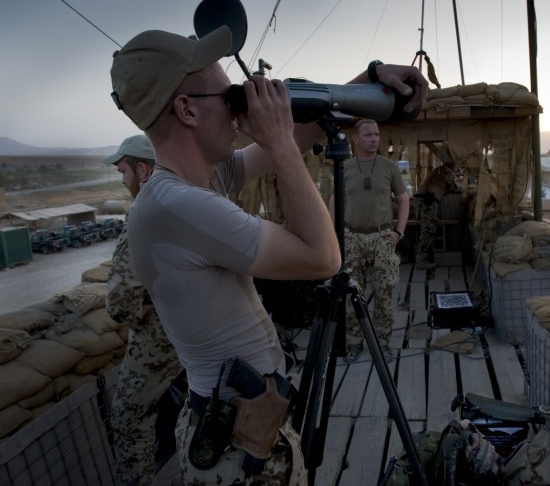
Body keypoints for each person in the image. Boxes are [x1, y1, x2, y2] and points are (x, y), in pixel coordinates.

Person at [109, 24, 428, 485]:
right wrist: (278, 140)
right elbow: (323, 258)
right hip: (237, 450)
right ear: (186, 110)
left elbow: (294, 137)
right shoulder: (180, 206)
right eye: (229, 98)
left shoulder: (183, 186)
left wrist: (371, 77)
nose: (239, 113)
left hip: (244, 423)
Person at [103, 135, 184, 486]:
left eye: (124, 171)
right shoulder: (184, 201)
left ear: (143, 169)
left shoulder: (144, 213)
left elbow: (120, 300)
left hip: (159, 332)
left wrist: (134, 311)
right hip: (192, 324)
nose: (123, 181)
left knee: (129, 417)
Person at [330, 118, 410, 364]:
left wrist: (399, 232)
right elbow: (334, 200)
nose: (374, 139)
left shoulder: (389, 167)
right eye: (368, 135)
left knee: (385, 290)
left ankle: (382, 342)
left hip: (382, 236)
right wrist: (335, 235)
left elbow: (404, 199)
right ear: (355, 139)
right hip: (351, 236)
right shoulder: (344, 167)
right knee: (352, 291)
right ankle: (354, 342)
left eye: (376, 135)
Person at [414, 154, 461, 269]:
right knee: (428, 230)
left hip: (426, 200)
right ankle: (421, 261)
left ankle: (422, 259)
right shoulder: (446, 173)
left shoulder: (438, 171)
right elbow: (454, 187)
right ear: (453, 165)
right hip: (429, 201)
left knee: (428, 229)